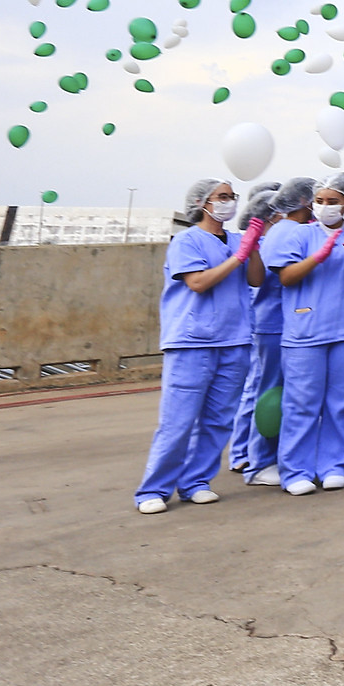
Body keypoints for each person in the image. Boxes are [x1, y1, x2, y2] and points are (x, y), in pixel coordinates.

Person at [134, 178, 263, 513]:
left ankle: (196, 482)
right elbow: (198, 282)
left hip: (234, 339)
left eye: (231, 196)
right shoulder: (187, 241)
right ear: (202, 202)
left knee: (219, 420)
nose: (228, 202)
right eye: (221, 196)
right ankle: (154, 489)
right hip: (193, 342)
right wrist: (239, 256)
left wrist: (254, 246)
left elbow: (257, 279)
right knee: (178, 420)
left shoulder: (237, 240)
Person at [267, 173, 344, 496]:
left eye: (333, 201)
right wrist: (317, 257)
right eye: (320, 201)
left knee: (341, 403)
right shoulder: (299, 235)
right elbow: (286, 277)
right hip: (306, 330)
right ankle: (296, 470)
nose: (325, 207)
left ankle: (335, 465)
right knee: (301, 403)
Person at [228, 178, 306, 480]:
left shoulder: (272, 237)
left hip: (269, 323)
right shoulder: (278, 237)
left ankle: (245, 454)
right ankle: (255, 458)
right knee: (265, 392)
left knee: (259, 389)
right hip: (272, 323)